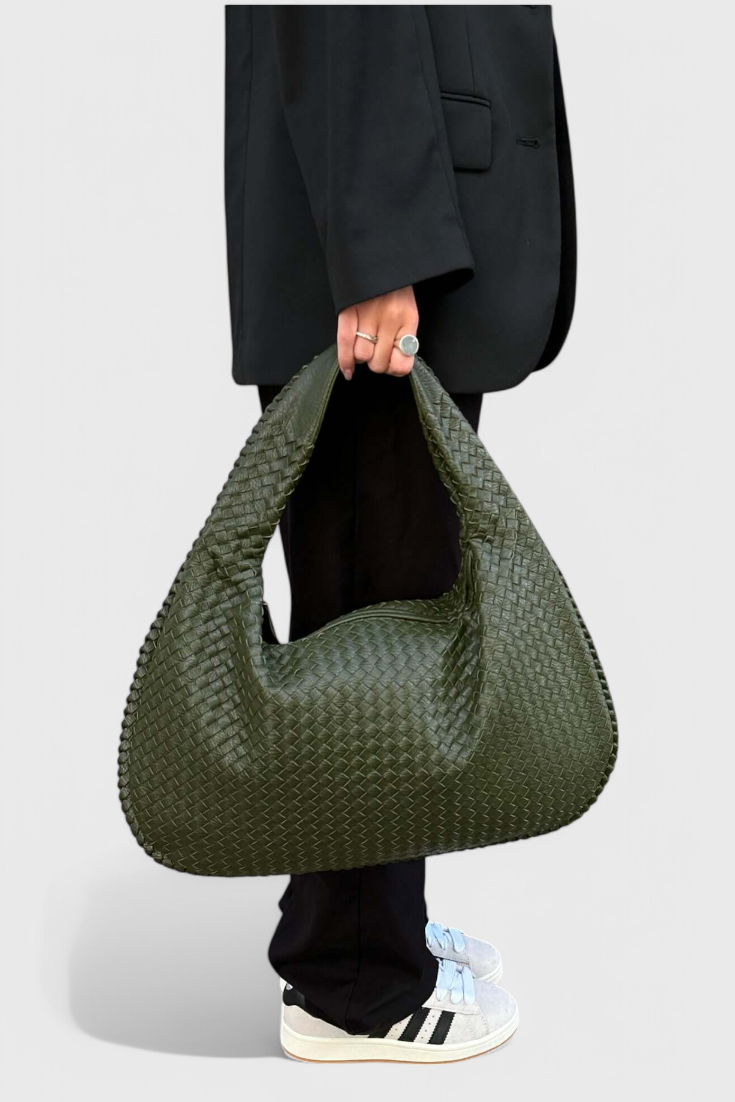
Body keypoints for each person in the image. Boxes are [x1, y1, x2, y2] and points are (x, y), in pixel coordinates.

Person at [224, 5, 575, 1064]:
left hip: (402, 218)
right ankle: (354, 986)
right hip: (381, 246)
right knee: (369, 612)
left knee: (394, 603)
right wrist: (381, 250)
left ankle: (372, 922)